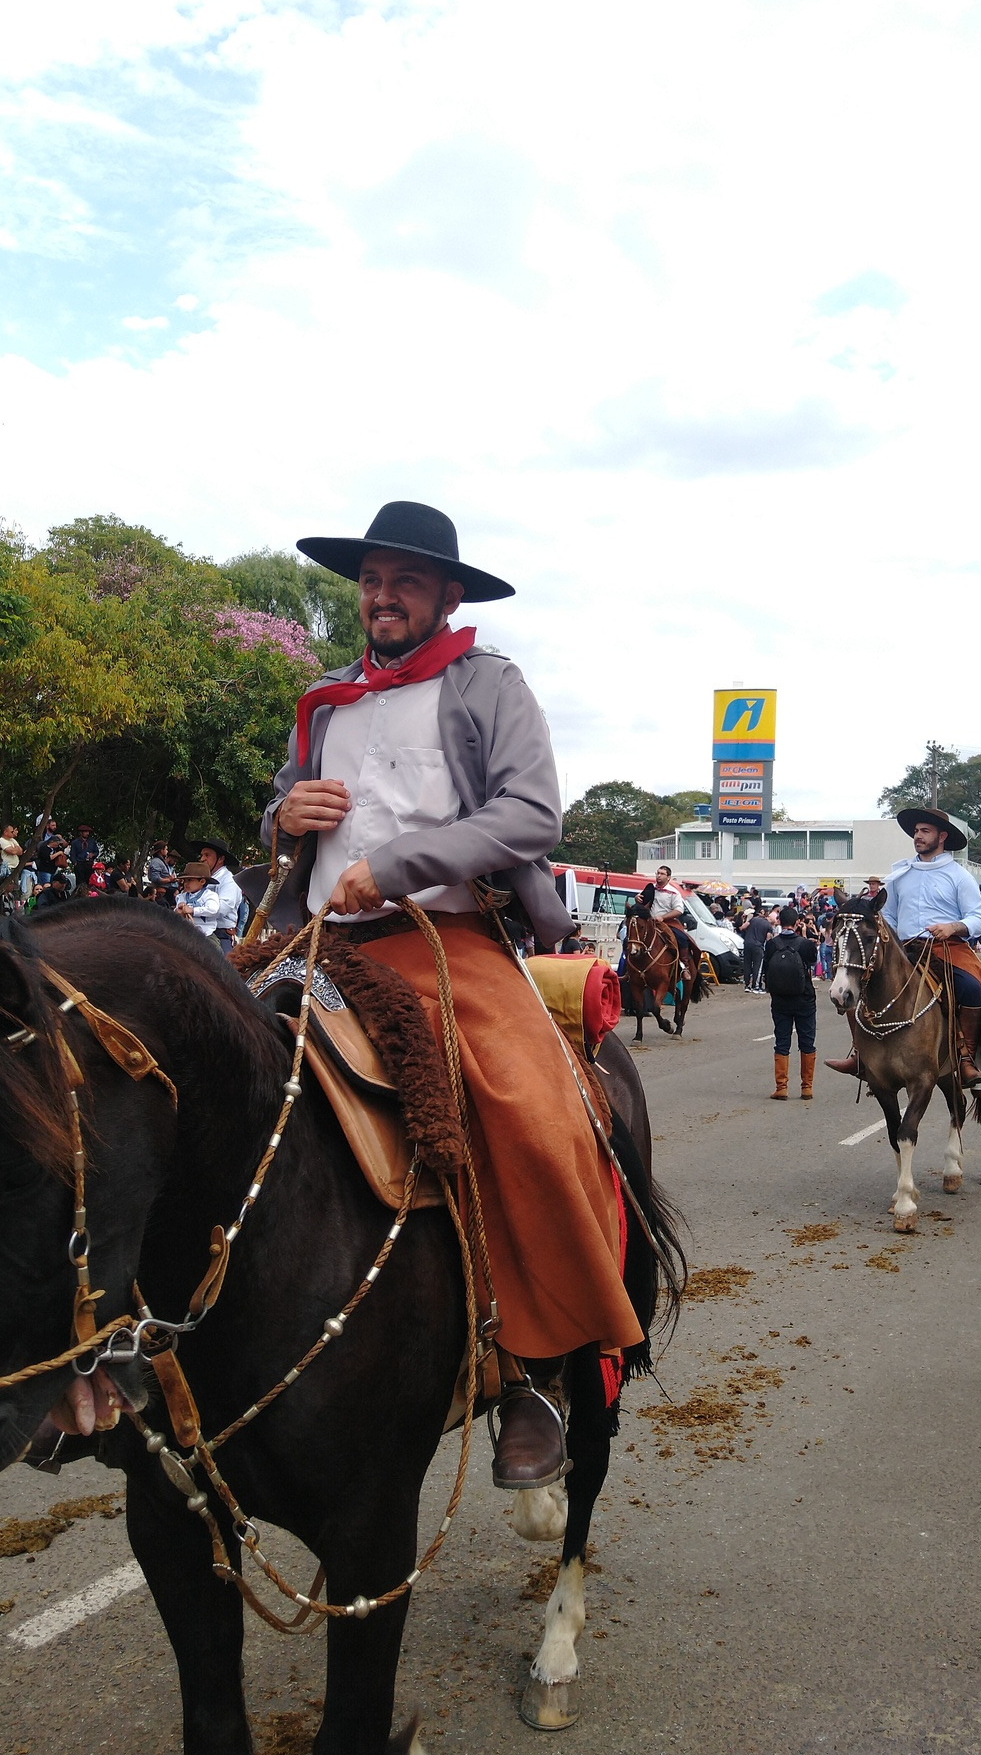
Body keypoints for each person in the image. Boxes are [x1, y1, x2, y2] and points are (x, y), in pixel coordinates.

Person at [263, 499, 642, 1489]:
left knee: (527, 1105)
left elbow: (530, 812)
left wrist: (396, 866)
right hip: (313, 939)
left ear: (447, 595)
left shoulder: (488, 684)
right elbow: (286, 807)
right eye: (372, 581)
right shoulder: (327, 697)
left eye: (405, 583)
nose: (382, 598)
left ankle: (526, 1362)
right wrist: (284, 812)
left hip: (444, 939)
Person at [827, 808, 981, 1089]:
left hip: (945, 948)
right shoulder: (899, 875)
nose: (918, 836)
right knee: (859, 985)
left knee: (972, 988)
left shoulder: (959, 876)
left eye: (924, 831)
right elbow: (887, 918)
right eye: (916, 831)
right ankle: (860, 1053)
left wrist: (952, 927)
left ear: (942, 836)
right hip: (902, 949)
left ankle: (965, 1059)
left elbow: (979, 918)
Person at [763, 906, 818, 1100]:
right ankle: (807, 1087)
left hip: (780, 1000)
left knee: (782, 1041)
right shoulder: (806, 945)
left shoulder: (772, 945)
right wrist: (804, 935)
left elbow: (766, 969)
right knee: (807, 1042)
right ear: (797, 923)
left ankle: (781, 1087)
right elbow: (812, 962)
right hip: (804, 999)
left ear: (778, 921)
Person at [194, 836, 244, 947]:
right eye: (201, 855)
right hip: (198, 932)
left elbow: (221, 909)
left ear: (220, 859)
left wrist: (193, 910)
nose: (202, 859)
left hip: (220, 935)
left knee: (224, 963)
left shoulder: (229, 880)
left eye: (207, 855)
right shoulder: (202, 879)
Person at [175, 860, 222, 934]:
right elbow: (177, 909)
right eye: (185, 880)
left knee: (214, 945)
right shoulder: (182, 896)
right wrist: (178, 911)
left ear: (202, 881)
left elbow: (212, 909)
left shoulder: (210, 895)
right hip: (185, 932)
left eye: (190, 880)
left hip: (205, 934)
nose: (186, 883)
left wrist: (193, 910)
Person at [740, 908, 770, 993]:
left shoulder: (753, 920)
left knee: (747, 964)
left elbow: (743, 927)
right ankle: (755, 986)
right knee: (757, 966)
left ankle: (747, 985)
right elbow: (768, 939)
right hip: (758, 946)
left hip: (747, 944)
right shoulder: (767, 925)